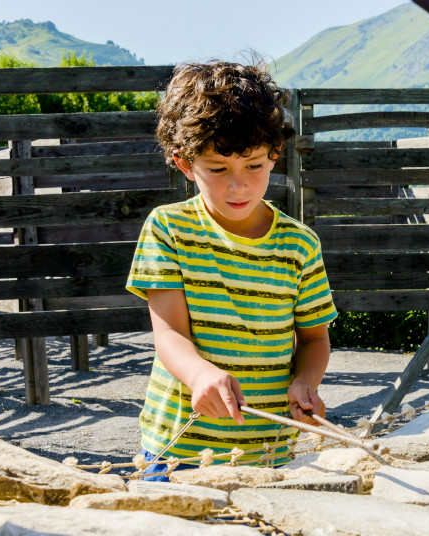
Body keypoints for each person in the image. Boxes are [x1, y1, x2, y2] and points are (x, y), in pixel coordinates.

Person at [126, 60, 337, 478]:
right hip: (179, 450)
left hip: (269, 450)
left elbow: (314, 338)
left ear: (275, 155)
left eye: (253, 165)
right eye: (218, 169)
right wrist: (200, 373)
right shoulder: (169, 229)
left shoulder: (300, 245)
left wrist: (305, 383)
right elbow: (168, 335)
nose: (238, 184)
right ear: (185, 164)